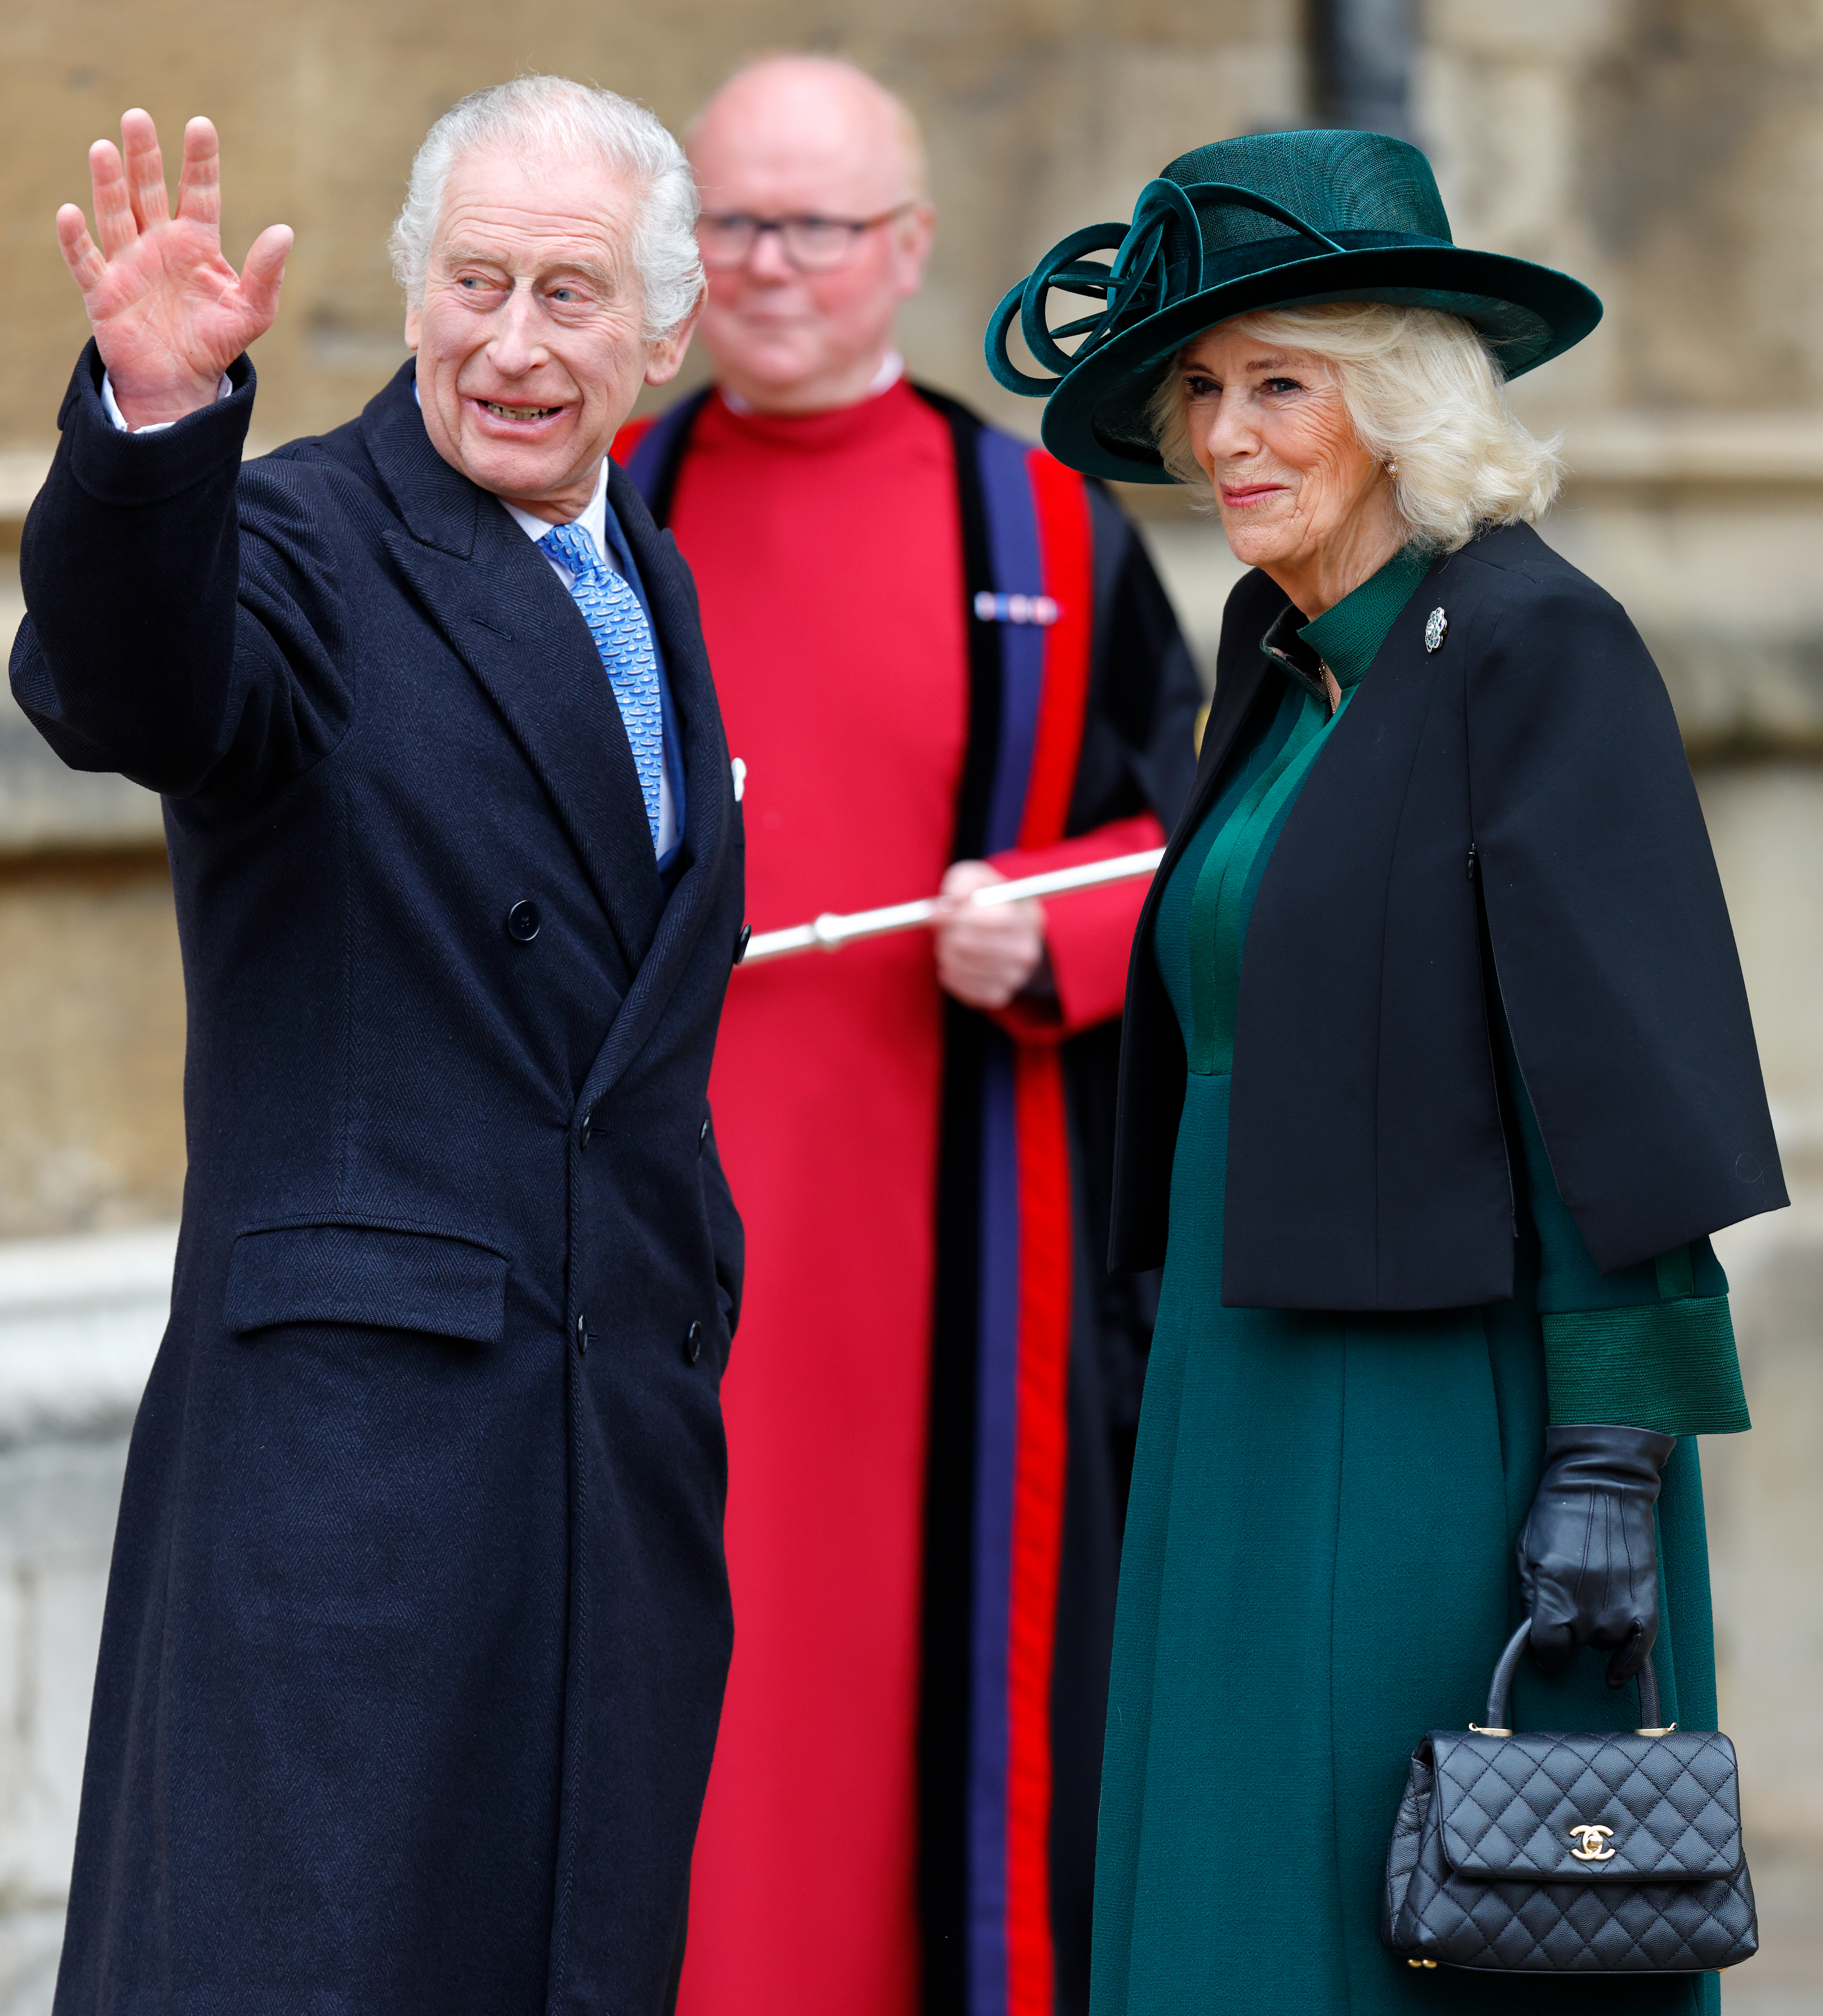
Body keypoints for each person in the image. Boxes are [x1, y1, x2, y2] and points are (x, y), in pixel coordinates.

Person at [988, 129, 1785, 2016]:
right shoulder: (1274, 658)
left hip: (1453, 1413)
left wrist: (1606, 1450)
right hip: (1234, 1390)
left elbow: (1624, 1075)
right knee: (1235, 1883)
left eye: (1281, 382)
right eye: (1199, 390)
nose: (1226, 435)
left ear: (1399, 396)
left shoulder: (1533, 645)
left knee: (1422, 1918)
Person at [15, 80, 744, 2015]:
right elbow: (131, 681)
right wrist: (155, 431)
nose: (513, 340)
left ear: (663, 340)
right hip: (361, 1471)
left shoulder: (645, 578)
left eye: (571, 295)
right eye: (477, 280)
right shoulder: (308, 543)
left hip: (602, 1453)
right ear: (412, 290)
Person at [613, 55, 1200, 2016]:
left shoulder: (1037, 521)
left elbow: (1191, 843)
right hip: (635, 1256)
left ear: (910, 249)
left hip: (946, 1260)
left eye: (817, 226)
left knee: (907, 1709)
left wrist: (1056, 928)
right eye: (729, 222)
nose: (767, 267)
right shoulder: (600, 503)